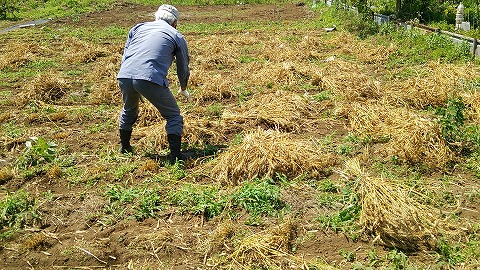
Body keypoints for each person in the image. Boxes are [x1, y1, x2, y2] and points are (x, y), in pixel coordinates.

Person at [117, 4, 191, 164]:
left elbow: (126, 55)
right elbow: (183, 66)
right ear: (175, 23)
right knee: (173, 116)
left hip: (124, 75)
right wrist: (183, 87)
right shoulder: (176, 35)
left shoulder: (137, 28)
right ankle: (175, 156)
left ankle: (124, 147)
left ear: (156, 17)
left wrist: (130, 82)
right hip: (149, 77)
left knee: (129, 110)